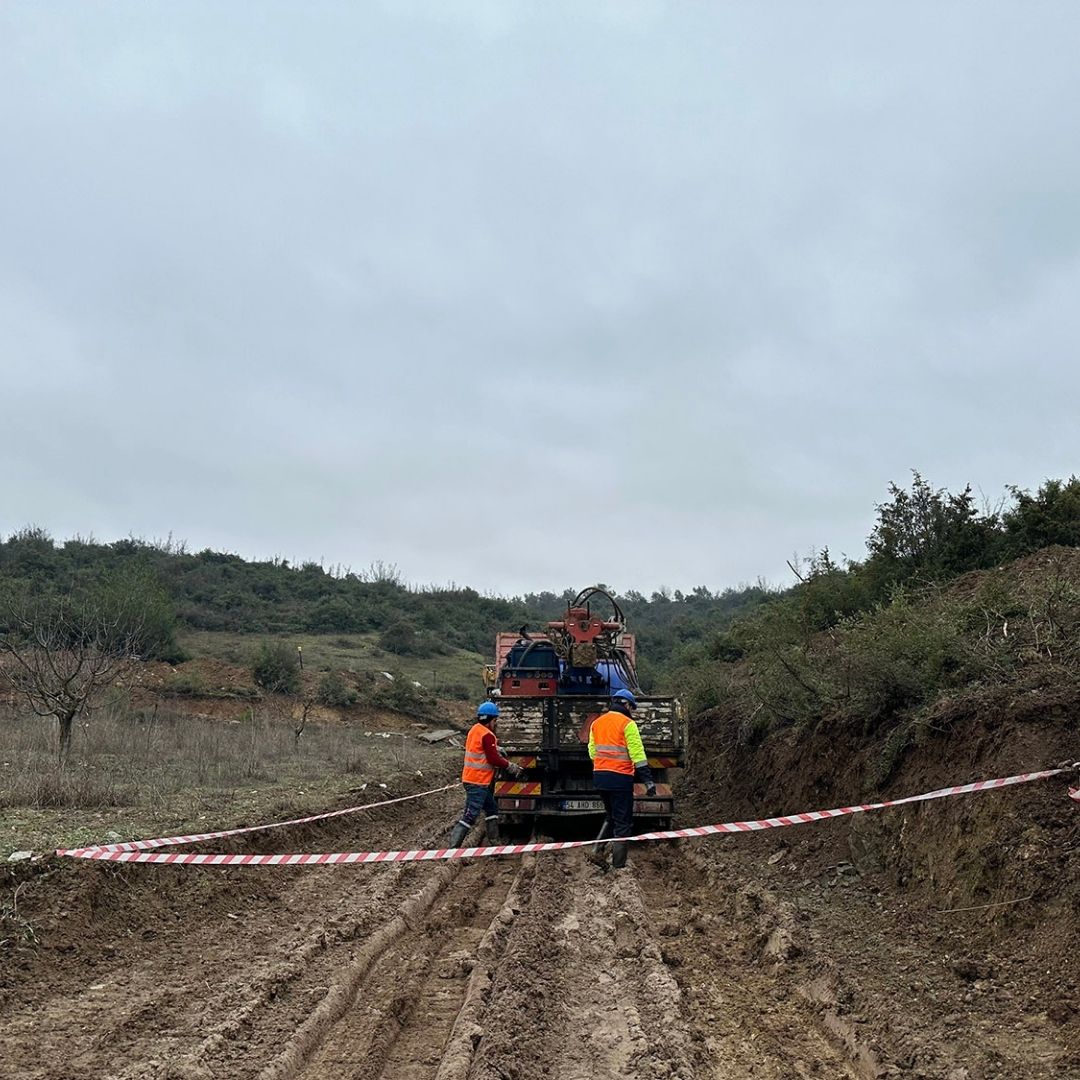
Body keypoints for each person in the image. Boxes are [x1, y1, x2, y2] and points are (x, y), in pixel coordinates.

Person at [588, 688, 656, 870]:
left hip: (600, 777)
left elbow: (592, 752)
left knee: (611, 816)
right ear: (626, 704)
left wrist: (604, 765)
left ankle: (597, 850)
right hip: (620, 778)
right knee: (623, 822)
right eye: (631, 707)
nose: (631, 710)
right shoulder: (628, 724)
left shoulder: (597, 723)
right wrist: (648, 781)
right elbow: (637, 754)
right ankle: (619, 867)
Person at [448, 701, 522, 847]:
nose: (496, 724)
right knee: (470, 816)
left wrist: (495, 748)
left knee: (492, 808)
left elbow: (481, 748)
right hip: (478, 782)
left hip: (471, 779)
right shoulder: (488, 735)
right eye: (495, 721)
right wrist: (510, 766)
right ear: (490, 720)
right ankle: (452, 849)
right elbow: (493, 758)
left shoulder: (474, 730)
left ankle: (495, 844)